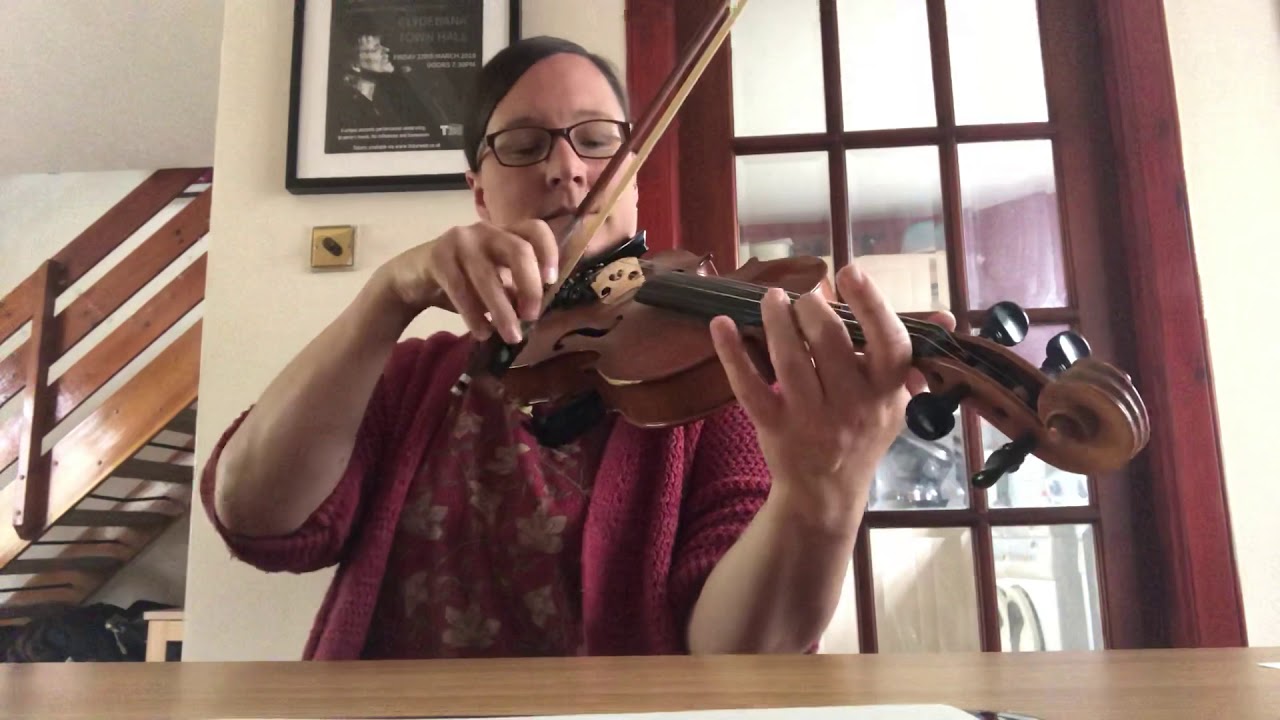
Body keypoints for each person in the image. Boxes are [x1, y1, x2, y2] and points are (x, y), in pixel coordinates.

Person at [202, 35, 955, 661]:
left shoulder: (717, 373)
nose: (567, 168)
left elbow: (734, 660)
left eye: (597, 141)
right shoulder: (414, 378)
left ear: (633, 181)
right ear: (479, 193)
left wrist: (821, 495)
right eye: (524, 145)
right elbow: (255, 514)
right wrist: (386, 298)